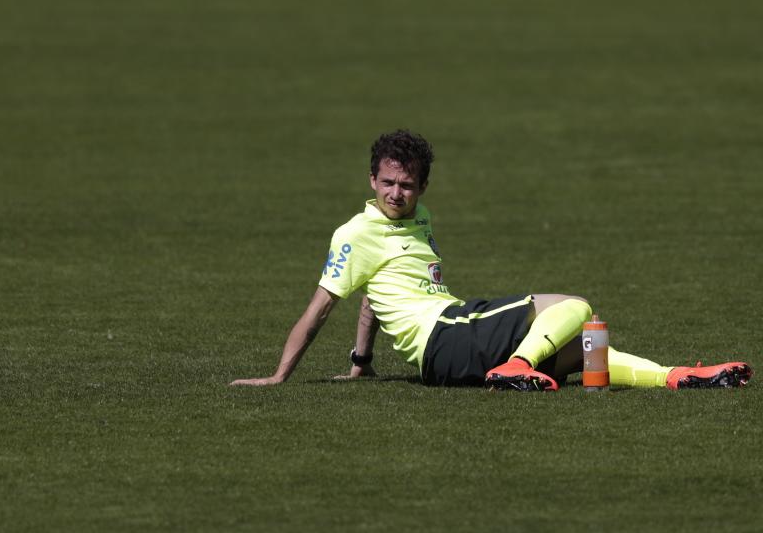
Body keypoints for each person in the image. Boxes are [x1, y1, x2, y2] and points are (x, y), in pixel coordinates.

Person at [230, 129, 752, 391]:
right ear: (371, 181)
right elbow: (321, 306)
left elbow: (373, 295)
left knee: (581, 348)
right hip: (445, 334)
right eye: (387, 182)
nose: (396, 193)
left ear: (422, 187)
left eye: (407, 184)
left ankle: (678, 376)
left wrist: (361, 363)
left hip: (453, 333)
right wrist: (280, 376)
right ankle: (516, 366)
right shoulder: (356, 232)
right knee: (573, 303)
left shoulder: (420, 218)